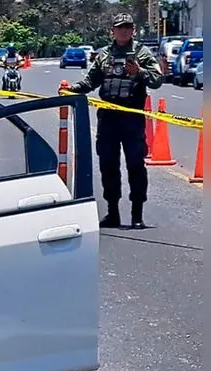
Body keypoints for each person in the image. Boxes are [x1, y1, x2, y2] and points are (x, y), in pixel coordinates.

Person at [64, 13, 163, 229]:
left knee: (135, 165)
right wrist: (71, 89)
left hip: (132, 118)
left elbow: (157, 81)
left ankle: (137, 214)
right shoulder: (104, 54)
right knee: (108, 165)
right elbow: (91, 81)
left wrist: (140, 72)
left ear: (133, 30)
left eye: (128, 27)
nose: (124, 31)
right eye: (120, 27)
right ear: (113, 31)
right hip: (108, 119)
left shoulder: (142, 54)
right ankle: (113, 213)